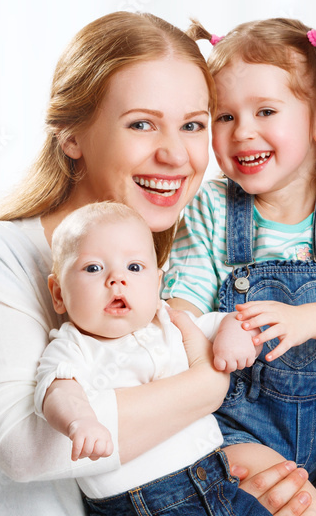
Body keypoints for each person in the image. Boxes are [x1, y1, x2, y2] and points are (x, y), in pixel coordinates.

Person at [0, 11, 313, 516]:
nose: (176, 154)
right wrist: (206, 385)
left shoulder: (168, 271)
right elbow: (27, 448)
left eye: (193, 125)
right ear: (71, 136)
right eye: (142, 124)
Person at [163, 18, 316, 508]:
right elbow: (177, 314)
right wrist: (223, 326)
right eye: (224, 117)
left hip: (315, 446)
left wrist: (301, 320)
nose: (242, 132)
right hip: (222, 432)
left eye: (265, 111)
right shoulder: (211, 211)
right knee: (293, 501)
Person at [36, 201, 266, 514]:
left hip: (219, 481)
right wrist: (80, 421)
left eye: (134, 267)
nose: (117, 280)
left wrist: (236, 338)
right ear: (59, 294)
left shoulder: (170, 322)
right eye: (93, 268)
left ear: (157, 283)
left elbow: (233, 323)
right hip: (144, 504)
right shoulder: (74, 346)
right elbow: (58, 389)